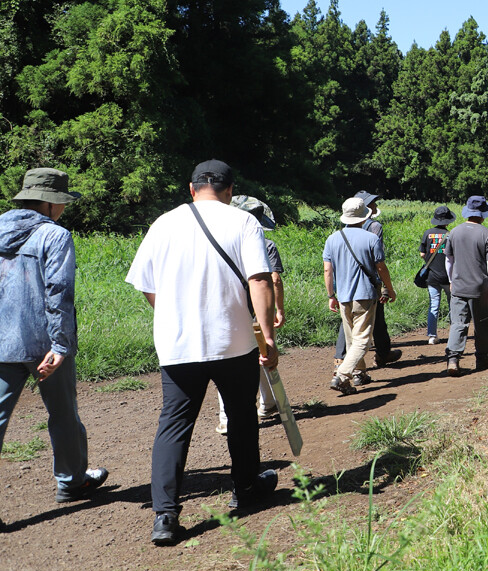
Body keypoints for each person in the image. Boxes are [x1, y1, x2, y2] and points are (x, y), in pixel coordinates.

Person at [126, 160, 280, 547]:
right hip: (234, 340)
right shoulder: (244, 222)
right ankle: (245, 488)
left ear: (192, 189)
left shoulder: (163, 223)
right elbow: (260, 280)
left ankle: (165, 515)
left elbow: (146, 284)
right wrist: (267, 336)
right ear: (230, 190)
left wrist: (174, 315)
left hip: (177, 344)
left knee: (175, 422)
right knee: (241, 414)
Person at [0, 168, 108, 527]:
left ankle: (73, 480)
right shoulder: (54, 234)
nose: (63, 209)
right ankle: (71, 481)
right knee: (63, 413)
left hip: (2, 342)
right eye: (61, 202)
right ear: (49, 203)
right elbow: (58, 292)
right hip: (45, 345)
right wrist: (61, 345)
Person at [216, 196, 286, 433]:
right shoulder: (266, 244)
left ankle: (227, 418)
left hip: (227, 311)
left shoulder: (218, 243)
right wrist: (278, 309)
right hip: (256, 312)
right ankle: (267, 403)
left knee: (226, 362)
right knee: (264, 354)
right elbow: (274, 280)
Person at [324, 197, 397, 395]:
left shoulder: (332, 239)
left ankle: (360, 373)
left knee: (351, 339)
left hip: (343, 296)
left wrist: (331, 295)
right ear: (364, 217)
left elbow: (328, 270)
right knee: (363, 340)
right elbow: (381, 267)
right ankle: (342, 375)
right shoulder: (371, 239)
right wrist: (389, 289)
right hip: (365, 295)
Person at [442, 195, 488, 375]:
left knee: (458, 323)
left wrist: (451, 281)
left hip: (459, 286)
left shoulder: (454, 232)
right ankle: (482, 358)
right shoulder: (487, 234)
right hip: (480, 288)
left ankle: (453, 359)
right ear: (482, 214)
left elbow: (448, 260)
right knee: (481, 324)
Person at [418, 205, 454, 345]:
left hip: (432, 277)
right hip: (448, 277)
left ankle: (432, 336)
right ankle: (454, 334)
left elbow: (422, 254)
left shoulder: (427, 233)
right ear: (448, 221)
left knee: (434, 306)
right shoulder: (451, 235)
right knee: (452, 305)